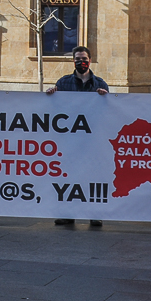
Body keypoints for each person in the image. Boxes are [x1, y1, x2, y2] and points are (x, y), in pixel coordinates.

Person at [46, 45, 109, 228]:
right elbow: (55, 109)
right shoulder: (64, 83)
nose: (81, 62)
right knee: (68, 176)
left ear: (90, 60)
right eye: (78, 59)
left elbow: (109, 112)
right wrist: (51, 95)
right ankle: (67, 213)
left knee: (93, 176)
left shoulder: (100, 84)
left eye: (84, 59)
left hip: (92, 139)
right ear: (73, 61)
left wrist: (106, 98)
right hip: (70, 140)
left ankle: (95, 214)